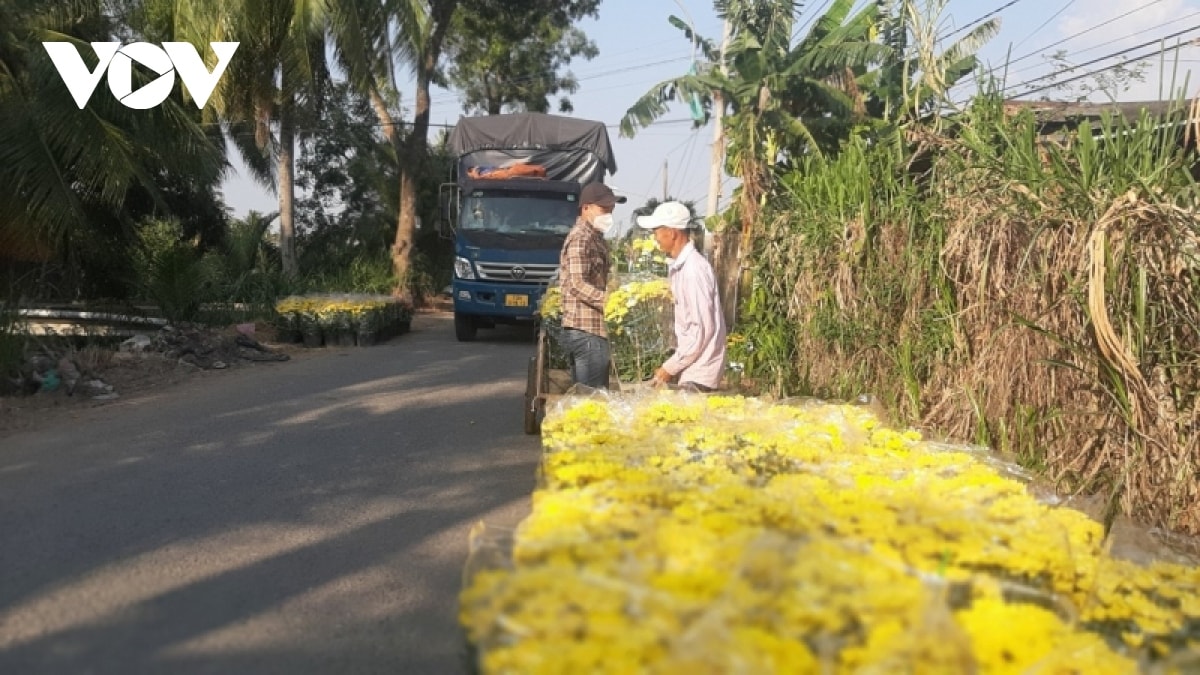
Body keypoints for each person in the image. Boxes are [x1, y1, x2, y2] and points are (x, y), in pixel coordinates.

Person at [636, 201, 727, 392]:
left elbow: (700, 329)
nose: (655, 237)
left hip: (699, 372)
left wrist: (670, 367)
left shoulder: (693, 270)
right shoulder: (680, 267)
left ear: (672, 232)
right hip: (690, 367)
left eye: (657, 231)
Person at [557, 182, 625, 389]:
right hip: (586, 329)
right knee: (592, 399)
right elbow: (576, 284)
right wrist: (612, 303)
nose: (609, 215)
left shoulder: (595, 238)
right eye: (604, 209)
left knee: (586, 398)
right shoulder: (580, 238)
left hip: (592, 328)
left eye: (611, 210)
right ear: (586, 208)